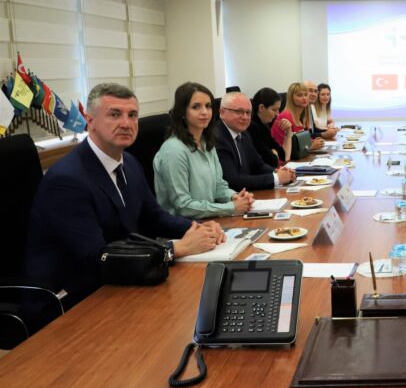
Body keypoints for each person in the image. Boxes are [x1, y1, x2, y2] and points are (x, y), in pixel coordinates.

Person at [24, 83, 225, 310]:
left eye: (132, 115)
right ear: (90, 122)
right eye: (114, 114)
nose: (126, 124)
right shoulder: (67, 180)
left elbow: (154, 216)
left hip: (121, 281)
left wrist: (197, 228)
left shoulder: (129, 162)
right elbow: (96, 257)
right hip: (74, 297)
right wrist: (174, 249)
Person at [154, 82, 254, 219]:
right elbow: (183, 206)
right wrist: (231, 207)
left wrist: (234, 197)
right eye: (196, 107)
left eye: (208, 106)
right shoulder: (173, 150)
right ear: (182, 112)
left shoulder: (207, 143)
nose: (204, 112)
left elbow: (219, 186)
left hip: (209, 221)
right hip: (183, 228)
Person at [216, 91, 296, 191]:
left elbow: (258, 165)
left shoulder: (244, 133)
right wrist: (276, 178)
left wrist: (278, 172)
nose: (245, 117)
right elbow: (232, 181)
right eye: (239, 112)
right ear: (222, 113)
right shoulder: (218, 138)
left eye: (248, 112)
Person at [271, 82, 326, 159]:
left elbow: (302, 140)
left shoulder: (300, 117)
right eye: (300, 95)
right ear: (291, 98)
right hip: (286, 162)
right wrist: (310, 146)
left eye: (306, 95)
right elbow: (283, 150)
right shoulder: (284, 117)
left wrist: (314, 141)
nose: (304, 98)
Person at [248, 87, 285, 167]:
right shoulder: (252, 128)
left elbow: (282, 154)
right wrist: (274, 153)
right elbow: (272, 160)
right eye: (274, 110)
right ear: (261, 108)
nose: (277, 114)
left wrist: (274, 152)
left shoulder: (265, 125)